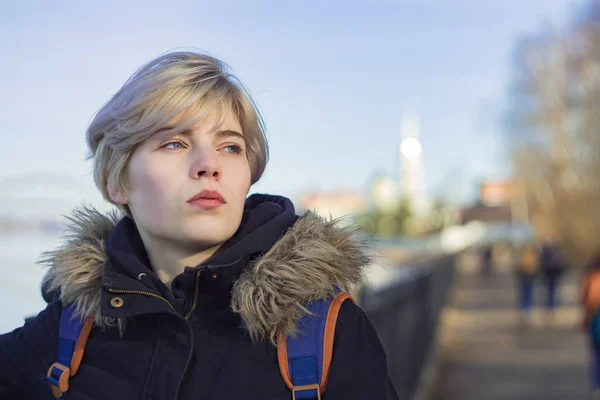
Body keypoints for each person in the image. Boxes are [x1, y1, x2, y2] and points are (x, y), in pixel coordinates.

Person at [0, 51, 399, 399]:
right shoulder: (70, 326)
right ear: (117, 181)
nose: (210, 165)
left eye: (230, 147)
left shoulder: (323, 330)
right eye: (175, 142)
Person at [539, 240, 566, 313]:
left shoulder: (545, 252)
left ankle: (550, 304)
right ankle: (552, 303)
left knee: (550, 289)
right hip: (554, 272)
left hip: (549, 272)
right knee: (553, 288)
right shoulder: (556, 251)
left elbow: (542, 262)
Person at [516, 242, 539, 328]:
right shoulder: (531, 256)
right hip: (528, 277)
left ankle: (524, 314)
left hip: (525, 277)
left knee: (525, 296)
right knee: (528, 296)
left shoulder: (523, 257)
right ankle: (526, 314)